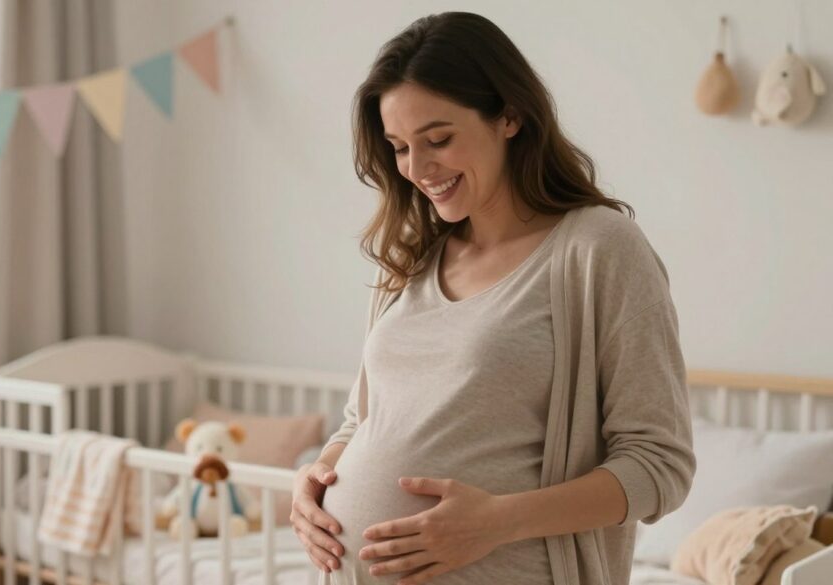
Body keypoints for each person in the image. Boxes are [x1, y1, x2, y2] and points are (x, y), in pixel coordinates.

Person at [290, 11, 696, 585]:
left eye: (438, 139)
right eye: (400, 147)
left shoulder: (598, 250)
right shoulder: (413, 259)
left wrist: (496, 522)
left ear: (509, 115)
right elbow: (363, 421)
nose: (418, 169)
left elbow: (660, 466)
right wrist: (315, 480)